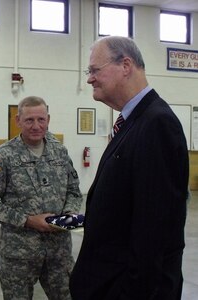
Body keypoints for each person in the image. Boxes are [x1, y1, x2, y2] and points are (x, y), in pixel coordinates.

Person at [69, 36, 189, 299]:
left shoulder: (156, 124)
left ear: (126, 65)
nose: (89, 78)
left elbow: (154, 230)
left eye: (94, 70)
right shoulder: (134, 121)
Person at [0, 96, 83, 300]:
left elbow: (73, 190)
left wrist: (68, 215)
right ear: (18, 121)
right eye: (29, 120)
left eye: (41, 120)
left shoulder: (59, 151)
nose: (36, 126)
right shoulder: (3, 156)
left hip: (58, 253)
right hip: (19, 255)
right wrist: (27, 220)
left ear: (48, 119)